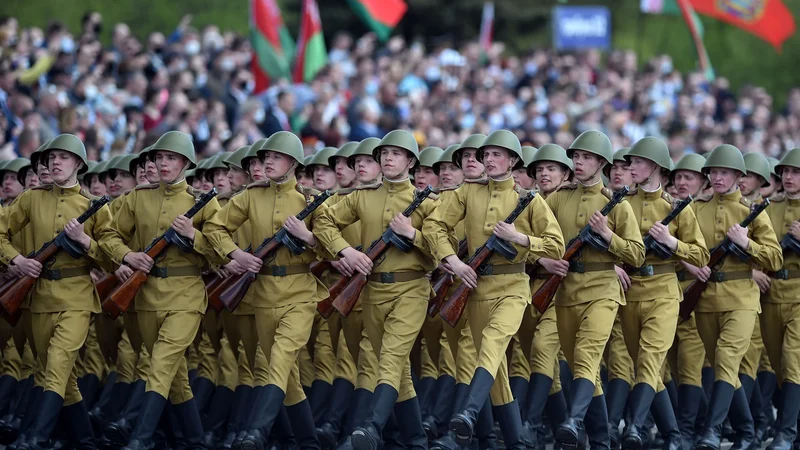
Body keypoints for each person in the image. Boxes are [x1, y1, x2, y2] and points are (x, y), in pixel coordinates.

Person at [423, 130, 565, 450]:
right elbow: (435, 226)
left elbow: (556, 245)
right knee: (497, 374)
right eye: (485, 155)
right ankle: (515, 442)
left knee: (492, 343)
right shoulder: (466, 193)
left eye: (496, 154)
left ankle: (469, 412)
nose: (488, 159)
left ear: (513, 161)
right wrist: (453, 262)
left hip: (513, 286)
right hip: (475, 289)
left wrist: (521, 239)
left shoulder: (530, 199)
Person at [314, 129, 440, 450]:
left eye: (396, 154)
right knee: (399, 373)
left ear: (411, 161)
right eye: (384, 153)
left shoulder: (426, 202)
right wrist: (346, 251)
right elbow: (324, 223)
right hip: (372, 292)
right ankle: (416, 440)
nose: (388, 158)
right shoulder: (362, 196)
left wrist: (412, 235)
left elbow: (442, 249)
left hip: (412, 289)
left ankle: (371, 428)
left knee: (390, 359)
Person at [204, 131, 330, 450]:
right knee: (286, 378)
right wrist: (236, 254)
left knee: (278, 359)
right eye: (265, 158)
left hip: (300, 293)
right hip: (262, 294)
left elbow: (331, 250)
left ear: (292, 162)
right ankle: (308, 442)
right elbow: (215, 228)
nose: (267, 162)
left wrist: (309, 237)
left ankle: (256, 432)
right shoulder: (250, 195)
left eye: (275, 157)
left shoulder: (310, 199)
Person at [99, 130, 224, 450]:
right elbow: (109, 236)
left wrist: (192, 235)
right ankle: (195, 442)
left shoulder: (201, 203)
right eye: (159, 157)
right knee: (175, 376)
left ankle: (139, 438)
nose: (163, 163)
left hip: (185, 294)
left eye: (171, 158)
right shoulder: (137, 198)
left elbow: (220, 252)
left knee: (161, 363)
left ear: (185, 162)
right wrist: (127, 255)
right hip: (146, 294)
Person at [0, 133, 115, 449]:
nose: (55, 161)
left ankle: (36, 437)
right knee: (54, 374)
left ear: (78, 163)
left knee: (56, 365)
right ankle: (86, 439)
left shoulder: (93, 207)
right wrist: (18, 260)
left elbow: (111, 255)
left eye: (63, 157)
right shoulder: (30, 199)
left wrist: (85, 241)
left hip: (76, 296)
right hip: (39, 296)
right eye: (51, 157)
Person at [536, 130, 645, 450]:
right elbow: (535, 234)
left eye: (586, 157)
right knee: (585, 368)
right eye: (576, 157)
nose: (579, 162)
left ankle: (573, 421)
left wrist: (608, 236)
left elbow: (636, 254)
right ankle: (600, 440)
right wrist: (544, 260)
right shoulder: (557, 198)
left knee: (586, 357)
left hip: (603, 290)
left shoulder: (616, 204)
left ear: (601, 163)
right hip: (565, 292)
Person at [683, 145, 782, 450]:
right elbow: (681, 247)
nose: (717, 177)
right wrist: (688, 262)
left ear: (739, 177)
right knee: (724, 367)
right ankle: (746, 430)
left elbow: (774, 259)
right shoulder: (695, 209)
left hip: (741, 298)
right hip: (706, 299)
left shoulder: (752, 213)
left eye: (724, 172)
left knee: (726, 360)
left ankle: (712, 431)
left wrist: (746, 244)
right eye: (713, 172)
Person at [619, 137, 709, 450]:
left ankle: (634, 427)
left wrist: (671, 243)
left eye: (638, 162)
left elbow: (699, 256)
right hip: (630, 293)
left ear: (656, 167)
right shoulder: (623, 204)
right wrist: (614, 264)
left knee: (649, 360)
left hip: (664, 292)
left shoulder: (675, 208)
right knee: (647, 369)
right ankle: (673, 436)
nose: (631, 167)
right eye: (631, 162)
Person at [518, 144, 573, 448]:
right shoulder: (528, 203)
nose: (544, 174)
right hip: (534, 287)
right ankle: (568, 433)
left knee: (543, 349)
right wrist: (539, 259)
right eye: (539, 169)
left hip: (566, 291)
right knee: (544, 365)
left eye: (551, 168)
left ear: (566, 173)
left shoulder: (578, 201)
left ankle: (530, 424)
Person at [667, 153, 714, 449]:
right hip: (672, 293)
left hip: (701, 298)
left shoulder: (706, 211)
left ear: (703, 182)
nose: (682, 182)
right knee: (670, 366)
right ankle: (698, 423)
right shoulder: (671, 208)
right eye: (679, 177)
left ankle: (686, 430)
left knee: (690, 365)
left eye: (690, 178)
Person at [758, 148, 800, 450]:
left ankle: (785, 432)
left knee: (792, 361)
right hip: (771, 294)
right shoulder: (768, 207)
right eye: (785, 172)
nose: (788, 177)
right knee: (778, 364)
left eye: (795, 172)